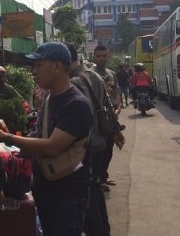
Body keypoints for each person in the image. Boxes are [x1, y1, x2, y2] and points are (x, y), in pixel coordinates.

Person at [0, 42, 93, 235]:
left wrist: (7, 138)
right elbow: (40, 136)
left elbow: (52, 146)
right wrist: (10, 149)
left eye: (39, 65)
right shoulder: (50, 99)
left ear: (57, 67)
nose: (34, 71)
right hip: (45, 188)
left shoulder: (77, 104)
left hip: (67, 195)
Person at [66, 43, 124, 236]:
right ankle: (103, 230)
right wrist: (115, 130)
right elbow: (107, 105)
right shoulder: (94, 75)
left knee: (88, 196)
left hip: (88, 145)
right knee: (95, 189)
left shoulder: (74, 82)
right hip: (99, 141)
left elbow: (88, 117)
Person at [93, 45, 120, 190]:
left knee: (109, 147)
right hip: (96, 118)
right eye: (98, 56)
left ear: (108, 56)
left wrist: (118, 107)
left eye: (104, 55)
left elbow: (116, 92)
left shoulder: (112, 74)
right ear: (94, 57)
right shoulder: (90, 74)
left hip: (110, 117)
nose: (101, 58)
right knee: (99, 148)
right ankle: (98, 178)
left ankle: (104, 175)